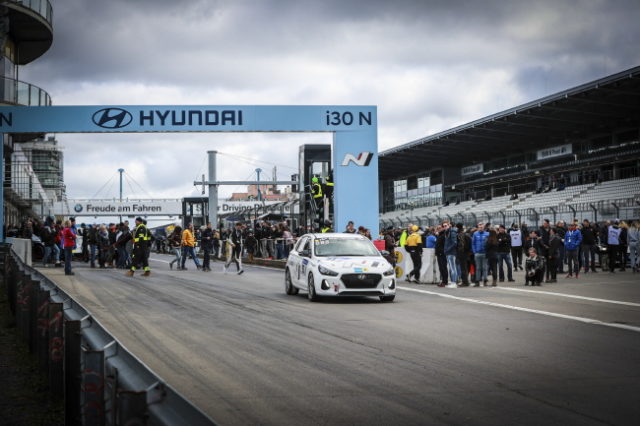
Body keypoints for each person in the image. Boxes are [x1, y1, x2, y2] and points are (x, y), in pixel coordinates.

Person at [471, 222, 489, 286]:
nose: (480, 228)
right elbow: (473, 243)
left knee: (484, 268)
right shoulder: (475, 234)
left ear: (484, 227)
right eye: (479, 227)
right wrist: (474, 251)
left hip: (484, 253)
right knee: (478, 268)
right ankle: (477, 281)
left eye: (481, 227)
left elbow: (489, 243)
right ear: (478, 227)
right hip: (477, 253)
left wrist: (487, 251)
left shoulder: (487, 234)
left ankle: (485, 280)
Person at [443, 221, 458, 287]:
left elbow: (454, 242)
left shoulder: (452, 232)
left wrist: (447, 249)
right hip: (449, 252)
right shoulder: (447, 232)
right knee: (451, 268)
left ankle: (454, 282)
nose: (445, 227)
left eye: (446, 225)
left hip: (451, 253)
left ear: (449, 225)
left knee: (453, 268)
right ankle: (453, 282)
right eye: (444, 226)